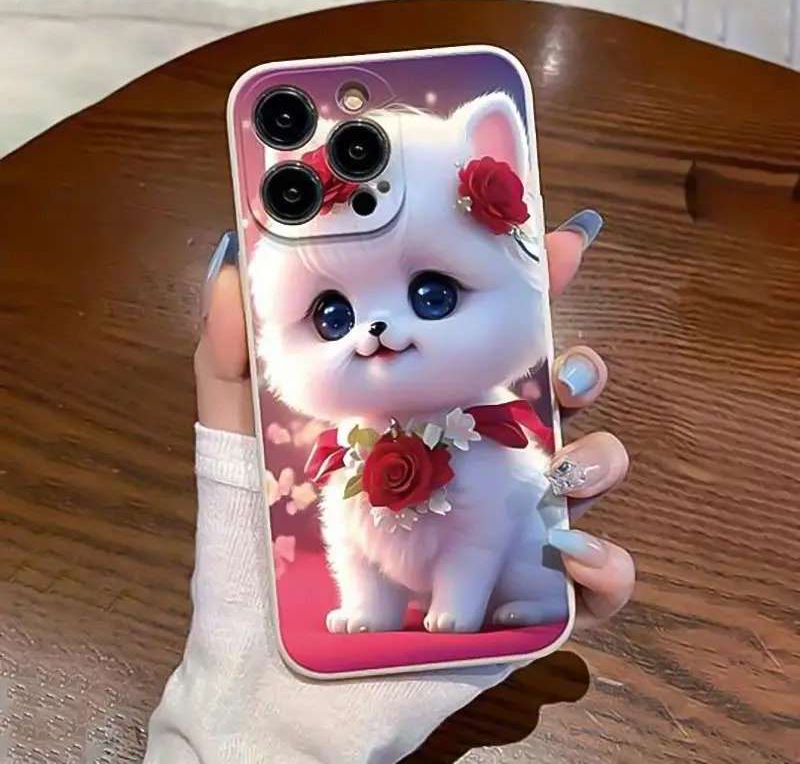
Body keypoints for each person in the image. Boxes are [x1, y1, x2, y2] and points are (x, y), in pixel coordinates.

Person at [144, 212, 635, 763]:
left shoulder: (486, 435)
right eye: (334, 316)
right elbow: (355, 543)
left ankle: (529, 596)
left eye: (431, 296)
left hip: (506, 574)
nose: (376, 327)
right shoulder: (347, 444)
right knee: (354, 529)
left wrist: (459, 607)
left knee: (519, 535)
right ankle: (375, 607)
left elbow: (481, 535)